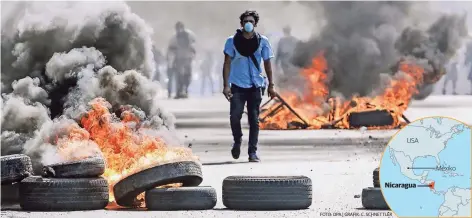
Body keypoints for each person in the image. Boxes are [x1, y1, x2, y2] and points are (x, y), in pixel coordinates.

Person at [222, 10, 277, 162]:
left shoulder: (263, 41)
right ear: (241, 24)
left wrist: (271, 85)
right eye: (246, 21)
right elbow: (226, 63)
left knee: (254, 120)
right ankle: (237, 140)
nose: (248, 24)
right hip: (238, 86)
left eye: (251, 21)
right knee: (235, 117)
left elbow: (267, 64)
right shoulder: (232, 41)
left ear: (255, 24)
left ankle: (252, 152)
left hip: (255, 86)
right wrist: (226, 85)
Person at [167, 21, 196, 99]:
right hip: (180, 59)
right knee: (180, 76)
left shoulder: (189, 35)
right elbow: (171, 48)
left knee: (186, 76)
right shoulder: (175, 37)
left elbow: (193, 46)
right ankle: (180, 91)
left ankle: (184, 90)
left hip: (186, 58)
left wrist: (193, 53)